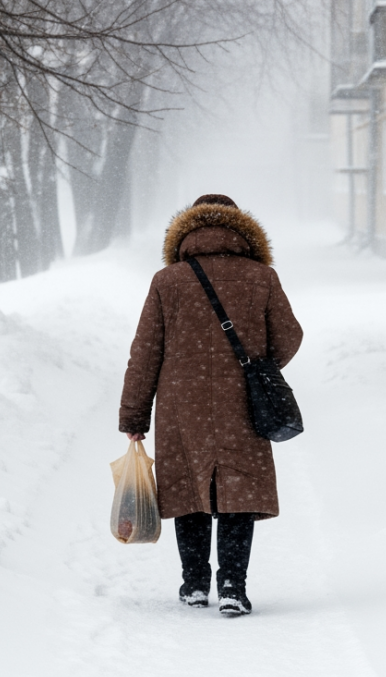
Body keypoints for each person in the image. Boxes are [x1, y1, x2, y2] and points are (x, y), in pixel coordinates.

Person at [119, 194, 303, 616]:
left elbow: (145, 351)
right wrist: (261, 366)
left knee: (189, 488)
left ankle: (195, 584)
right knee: (236, 489)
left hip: (182, 404)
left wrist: (134, 414)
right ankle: (234, 586)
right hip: (243, 399)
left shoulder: (168, 281)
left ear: (185, 232)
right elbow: (289, 335)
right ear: (242, 231)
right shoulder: (262, 277)